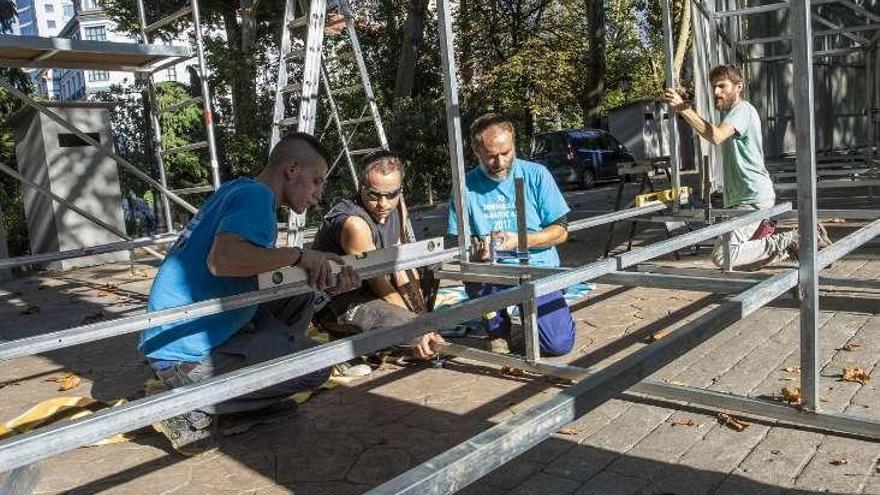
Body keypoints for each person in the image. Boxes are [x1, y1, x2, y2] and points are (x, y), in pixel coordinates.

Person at [139, 133, 361, 456]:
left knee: (302, 294)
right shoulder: (257, 199)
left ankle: (248, 394)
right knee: (317, 366)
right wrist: (299, 256)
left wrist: (322, 274)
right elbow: (222, 260)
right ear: (291, 169)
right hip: (186, 352)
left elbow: (252, 267)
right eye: (316, 181)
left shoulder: (241, 189)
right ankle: (185, 404)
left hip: (181, 332)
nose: (318, 194)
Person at [664, 64, 830, 270]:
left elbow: (715, 136)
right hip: (743, 198)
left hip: (752, 197)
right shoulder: (731, 114)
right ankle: (792, 246)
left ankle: (796, 238)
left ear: (738, 87)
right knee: (745, 262)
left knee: (722, 256)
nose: (716, 92)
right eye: (714, 87)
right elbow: (711, 130)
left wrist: (683, 108)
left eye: (722, 86)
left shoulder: (742, 110)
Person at [447, 113, 576, 356]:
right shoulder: (464, 186)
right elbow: (459, 244)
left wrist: (519, 240)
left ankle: (538, 320)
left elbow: (560, 232)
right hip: (492, 273)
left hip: (538, 267)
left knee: (558, 344)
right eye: (491, 156)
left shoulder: (537, 175)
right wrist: (476, 253)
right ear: (476, 151)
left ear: (514, 143)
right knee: (477, 278)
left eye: (506, 153)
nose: (500, 162)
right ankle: (498, 329)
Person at [311, 151, 445, 365]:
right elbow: (381, 284)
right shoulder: (354, 225)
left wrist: (424, 321)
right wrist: (417, 328)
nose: (383, 204)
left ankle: (403, 338)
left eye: (391, 194)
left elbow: (401, 265)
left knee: (431, 264)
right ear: (360, 187)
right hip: (342, 300)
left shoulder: (398, 205)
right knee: (406, 326)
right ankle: (355, 339)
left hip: (374, 289)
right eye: (374, 195)